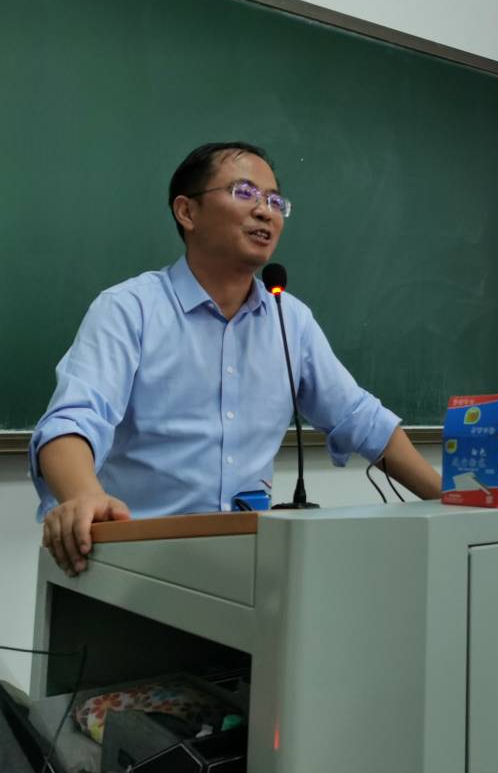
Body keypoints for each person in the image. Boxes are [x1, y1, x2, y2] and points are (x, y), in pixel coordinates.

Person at [31, 142, 442, 576]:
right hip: (138, 562)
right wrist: (84, 496)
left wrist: (455, 500)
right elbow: (73, 420)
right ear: (187, 212)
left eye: (275, 202)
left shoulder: (290, 320)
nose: (265, 212)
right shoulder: (130, 309)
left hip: (248, 564)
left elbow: (361, 419)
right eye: (244, 193)